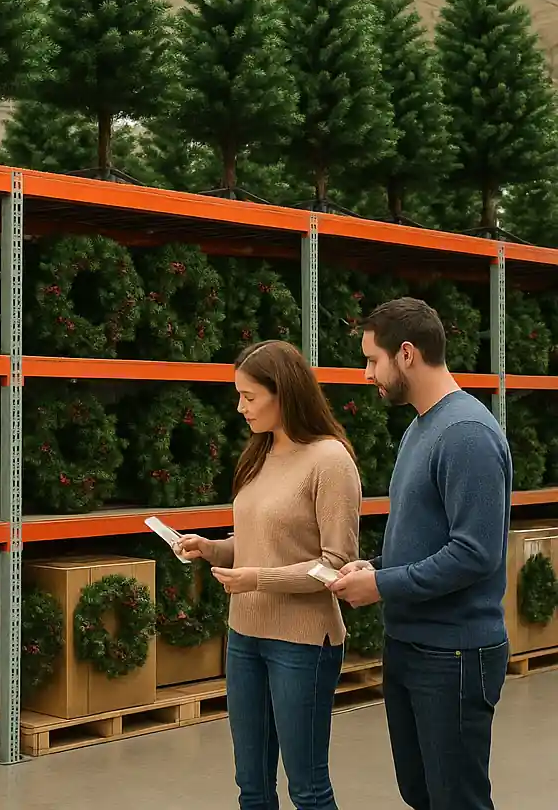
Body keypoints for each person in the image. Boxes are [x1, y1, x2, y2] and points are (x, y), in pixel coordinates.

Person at [329, 297, 512, 810]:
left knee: (456, 799)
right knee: (421, 792)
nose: (367, 374)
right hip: (411, 645)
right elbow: (429, 541)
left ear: (406, 354)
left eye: (372, 360)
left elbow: (475, 554)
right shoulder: (421, 427)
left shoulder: (466, 434)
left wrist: (382, 586)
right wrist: (377, 567)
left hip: (452, 655)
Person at [175, 340, 361, 810]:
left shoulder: (330, 460)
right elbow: (262, 538)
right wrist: (213, 548)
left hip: (302, 643)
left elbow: (335, 563)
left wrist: (259, 579)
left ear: (285, 393)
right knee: (252, 787)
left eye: (250, 397)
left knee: (308, 789)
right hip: (245, 636)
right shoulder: (259, 454)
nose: (240, 408)